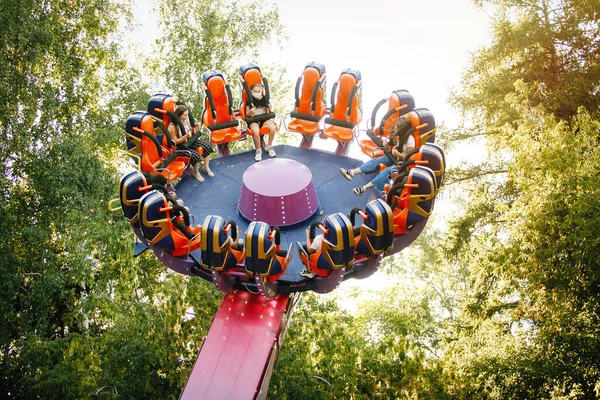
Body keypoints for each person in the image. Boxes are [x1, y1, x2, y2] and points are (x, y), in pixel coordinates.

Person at [339, 118, 415, 195]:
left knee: (386, 172)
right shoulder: (400, 137)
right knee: (376, 161)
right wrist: (388, 144)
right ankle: (352, 172)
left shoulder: (410, 140)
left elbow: (411, 158)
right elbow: (397, 147)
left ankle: (362, 189)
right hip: (396, 158)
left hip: (403, 164)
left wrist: (398, 154)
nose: (395, 128)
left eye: (397, 127)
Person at [169, 104, 214, 182]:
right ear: (179, 115)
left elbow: (189, 128)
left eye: (187, 115)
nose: (186, 117)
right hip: (180, 146)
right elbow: (175, 141)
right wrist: (185, 137)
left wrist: (195, 127)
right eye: (185, 115)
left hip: (189, 140)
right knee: (195, 155)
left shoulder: (186, 120)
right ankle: (195, 172)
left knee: (207, 146)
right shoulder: (172, 126)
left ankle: (205, 167)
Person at [246, 83, 277, 162]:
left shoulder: (265, 98)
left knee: (273, 128)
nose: (257, 93)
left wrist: (270, 108)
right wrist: (250, 111)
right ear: (252, 91)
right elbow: (246, 113)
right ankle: (258, 150)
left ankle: (269, 146)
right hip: (254, 120)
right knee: (256, 132)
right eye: (255, 91)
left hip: (264, 119)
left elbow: (268, 112)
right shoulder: (249, 100)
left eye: (258, 91)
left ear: (261, 91)